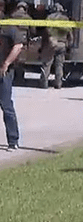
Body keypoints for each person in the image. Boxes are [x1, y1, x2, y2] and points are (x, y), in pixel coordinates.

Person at [0, 21, 26, 151]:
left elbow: (18, 46)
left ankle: (13, 140)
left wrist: (6, 63)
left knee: (6, 106)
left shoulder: (8, 28)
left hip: (4, 72)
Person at [40, 3, 72, 89]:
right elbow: (69, 33)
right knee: (59, 65)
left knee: (47, 64)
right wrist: (69, 44)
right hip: (62, 44)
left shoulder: (49, 18)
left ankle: (44, 83)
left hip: (51, 43)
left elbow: (46, 32)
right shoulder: (65, 19)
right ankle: (58, 83)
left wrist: (43, 45)